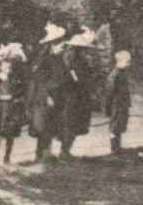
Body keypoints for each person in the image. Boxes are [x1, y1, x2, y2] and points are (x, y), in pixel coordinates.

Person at [27, 23, 71, 162]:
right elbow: (40, 81)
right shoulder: (44, 61)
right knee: (43, 126)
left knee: (52, 125)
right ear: (51, 45)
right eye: (59, 43)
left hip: (57, 97)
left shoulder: (60, 60)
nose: (63, 45)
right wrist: (47, 97)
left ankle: (48, 154)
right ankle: (40, 155)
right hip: (44, 98)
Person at [60, 28, 102, 158]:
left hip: (80, 95)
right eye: (83, 49)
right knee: (70, 123)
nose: (85, 51)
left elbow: (85, 77)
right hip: (71, 96)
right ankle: (64, 151)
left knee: (76, 123)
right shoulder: (68, 63)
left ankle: (66, 151)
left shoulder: (82, 62)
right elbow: (69, 79)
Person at [0, 42, 27, 165]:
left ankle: (7, 158)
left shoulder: (13, 79)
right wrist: (1, 97)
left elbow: (18, 92)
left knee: (10, 136)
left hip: (11, 110)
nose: (9, 68)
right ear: (0, 66)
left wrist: (18, 99)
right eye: (6, 66)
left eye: (10, 66)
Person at [105, 50, 132, 155]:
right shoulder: (115, 74)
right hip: (116, 103)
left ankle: (118, 146)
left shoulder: (122, 73)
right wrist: (109, 106)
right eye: (127, 62)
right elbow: (110, 91)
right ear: (119, 61)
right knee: (114, 126)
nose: (129, 64)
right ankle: (114, 147)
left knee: (120, 125)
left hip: (122, 103)